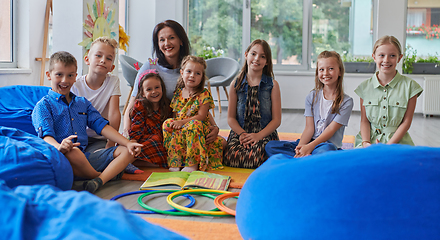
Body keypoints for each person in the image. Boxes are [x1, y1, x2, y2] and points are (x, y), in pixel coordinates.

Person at [32, 51, 142, 193]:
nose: (65, 80)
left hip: (86, 157)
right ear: (49, 75)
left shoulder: (82, 102)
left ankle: (98, 181)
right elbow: (46, 136)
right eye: (59, 74)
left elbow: (101, 126)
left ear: (75, 77)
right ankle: (104, 175)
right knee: (73, 151)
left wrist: (127, 143)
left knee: (127, 151)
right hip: (62, 156)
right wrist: (59, 146)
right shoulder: (43, 106)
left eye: (70, 75)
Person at [122, 20, 222, 149]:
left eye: (171, 38)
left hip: (184, 126)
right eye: (161, 40)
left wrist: (214, 127)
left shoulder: (190, 68)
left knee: (220, 145)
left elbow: (198, 102)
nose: (167, 43)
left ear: (181, 41)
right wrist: (126, 133)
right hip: (154, 127)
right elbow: (132, 104)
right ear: (157, 44)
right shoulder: (150, 65)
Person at [71, 37, 142, 174]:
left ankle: (111, 160)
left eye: (108, 59)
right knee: (78, 157)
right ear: (87, 59)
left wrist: (110, 143)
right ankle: (113, 165)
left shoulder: (113, 81)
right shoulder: (76, 85)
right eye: (98, 55)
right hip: (78, 139)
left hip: (100, 139)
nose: (103, 60)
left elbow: (114, 114)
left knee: (119, 150)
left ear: (112, 67)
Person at [265, 51, 354, 158]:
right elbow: (309, 128)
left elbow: (330, 130)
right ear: (317, 72)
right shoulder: (312, 97)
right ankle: (306, 159)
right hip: (309, 142)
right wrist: (301, 147)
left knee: (325, 152)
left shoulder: (346, 101)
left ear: (340, 72)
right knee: (270, 146)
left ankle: (305, 160)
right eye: (321, 69)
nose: (325, 73)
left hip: (326, 145)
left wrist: (309, 147)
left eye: (330, 68)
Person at [354, 35, 423, 147]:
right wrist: (366, 142)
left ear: (399, 58)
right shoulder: (364, 87)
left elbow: (406, 122)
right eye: (381, 55)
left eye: (392, 56)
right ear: (374, 57)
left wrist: (387, 147)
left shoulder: (411, 86)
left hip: (397, 143)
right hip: (368, 142)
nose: (386, 60)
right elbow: (364, 121)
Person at [223, 39, 281, 168]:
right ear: (246, 54)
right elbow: (231, 118)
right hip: (241, 133)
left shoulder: (273, 85)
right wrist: (242, 135)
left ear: (266, 62)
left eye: (262, 56)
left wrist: (258, 136)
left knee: (258, 158)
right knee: (231, 157)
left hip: (264, 133)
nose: (257, 59)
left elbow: (276, 120)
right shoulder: (235, 84)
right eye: (253, 54)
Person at [162, 55, 224, 173]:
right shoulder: (178, 93)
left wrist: (181, 122)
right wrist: (176, 123)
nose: (192, 75)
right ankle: (176, 161)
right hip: (182, 128)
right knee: (167, 123)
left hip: (198, 128)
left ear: (202, 77)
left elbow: (201, 116)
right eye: (189, 71)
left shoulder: (203, 94)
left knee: (194, 124)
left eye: (197, 73)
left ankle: (193, 163)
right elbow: (176, 116)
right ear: (182, 72)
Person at [128, 70, 171, 168]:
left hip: (161, 141)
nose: (154, 91)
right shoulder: (140, 105)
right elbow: (136, 126)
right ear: (143, 93)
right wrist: (134, 141)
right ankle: (131, 162)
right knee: (151, 141)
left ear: (162, 89)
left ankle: (142, 163)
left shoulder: (167, 105)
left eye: (157, 87)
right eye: (149, 89)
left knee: (167, 152)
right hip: (142, 138)